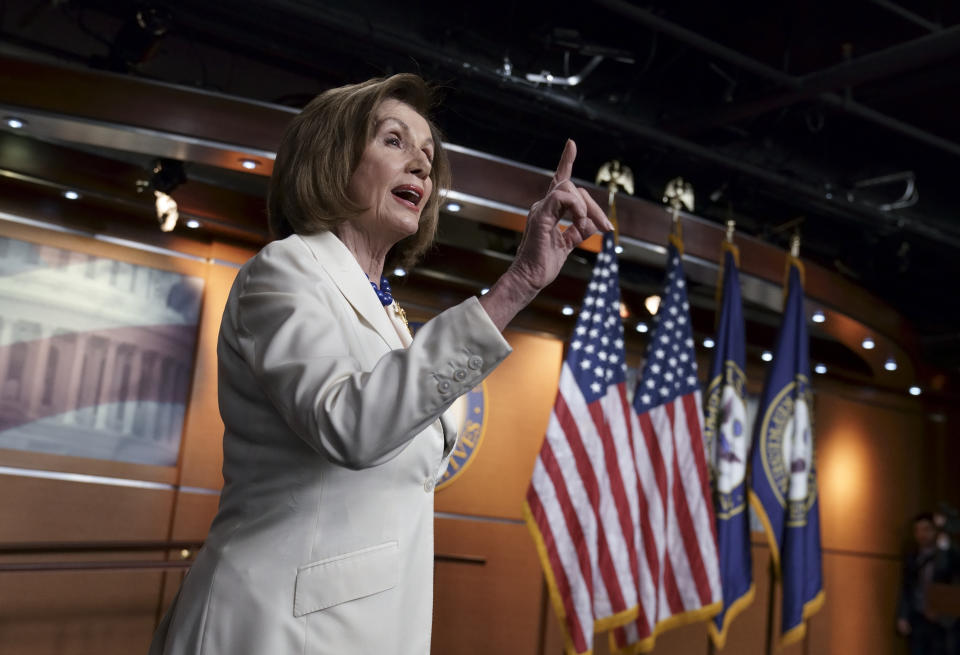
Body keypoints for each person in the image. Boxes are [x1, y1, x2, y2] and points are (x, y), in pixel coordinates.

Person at [148, 74, 612, 655]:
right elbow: (353, 424)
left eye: (428, 153)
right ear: (331, 159)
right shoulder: (284, 272)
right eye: (394, 141)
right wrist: (517, 283)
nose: (421, 163)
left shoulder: (385, 311)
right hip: (274, 630)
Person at [897, 512, 960, 655]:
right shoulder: (913, 557)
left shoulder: (946, 554)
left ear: (934, 531)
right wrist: (903, 615)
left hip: (942, 621)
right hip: (918, 617)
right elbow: (906, 588)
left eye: (926, 529)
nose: (921, 534)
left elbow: (951, 570)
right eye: (918, 530)